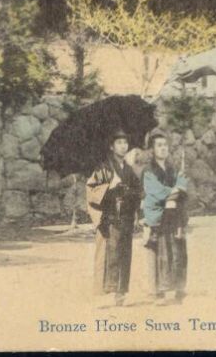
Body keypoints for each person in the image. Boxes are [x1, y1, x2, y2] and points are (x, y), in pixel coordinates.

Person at [86, 128, 143, 307]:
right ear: (111, 146)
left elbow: (139, 191)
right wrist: (110, 187)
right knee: (108, 254)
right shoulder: (102, 167)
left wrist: (129, 192)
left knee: (125, 254)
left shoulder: (129, 169)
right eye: (119, 142)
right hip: (109, 217)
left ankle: (120, 293)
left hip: (125, 216)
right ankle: (104, 293)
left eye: (125, 142)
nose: (123, 146)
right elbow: (91, 190)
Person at [141, 130, 189, 305]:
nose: (163, 149)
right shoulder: (148, 171)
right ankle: (159, 292)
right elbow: (156, 192)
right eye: (159, 145)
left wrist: (176, 192)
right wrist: (174, 191)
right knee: (161, 253)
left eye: (165, 145)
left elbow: (184, 185)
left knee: (177, 252)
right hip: (160, 217)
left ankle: (178, 289)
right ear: (152, 150)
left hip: (174, 216)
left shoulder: (172, 169)